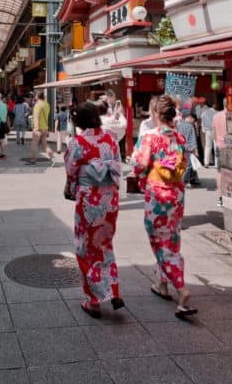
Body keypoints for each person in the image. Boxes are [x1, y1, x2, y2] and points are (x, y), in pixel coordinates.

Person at [131, 94, 197, 319]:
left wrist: (143, 170)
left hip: (157, 195)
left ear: (156, 114)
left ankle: (182, 289)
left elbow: (138, 164)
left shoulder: (151, 137)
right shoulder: (179, 137)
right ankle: (162, 284)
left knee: (160, 242)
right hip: (177, 194)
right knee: (172, 239)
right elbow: (185, 164)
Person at [64, 103, 124, 318]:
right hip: (109, 198)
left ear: (78, 122)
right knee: (104, 243)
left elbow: (71, 172)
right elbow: (116, 163)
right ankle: (113, 290)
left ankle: (94, 300)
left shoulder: (78, 143)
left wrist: (71, 190)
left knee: (85, 247)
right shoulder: (111, 138)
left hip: (89, 198)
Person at [175, 100, 201, 188]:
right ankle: (185, 180)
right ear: (188, 116)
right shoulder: (190, 126)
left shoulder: (177, 124)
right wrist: (195, 150)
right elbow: (192, 139)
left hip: (178, 148)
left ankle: (192, 178)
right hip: (188, 149)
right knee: (189, 165)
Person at [28, 91, 52, 164]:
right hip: (45, 127)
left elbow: (36, 117)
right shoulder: (47, 104)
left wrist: (36, 128)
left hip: (39, 128)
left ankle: (33, 160)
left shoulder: (37, 105)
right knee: (45, 144)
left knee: (34, 144)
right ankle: (51, 155)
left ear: (37, 96)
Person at [199, 97, 216, 167]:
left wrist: (203, 130)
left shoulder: (204, 112)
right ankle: (217, 163)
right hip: (215, 130)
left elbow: (202, 122)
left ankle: (206, 162)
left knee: (207, 146)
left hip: (208, 131)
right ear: (212, 106)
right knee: (216, 146)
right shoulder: (215, 112)